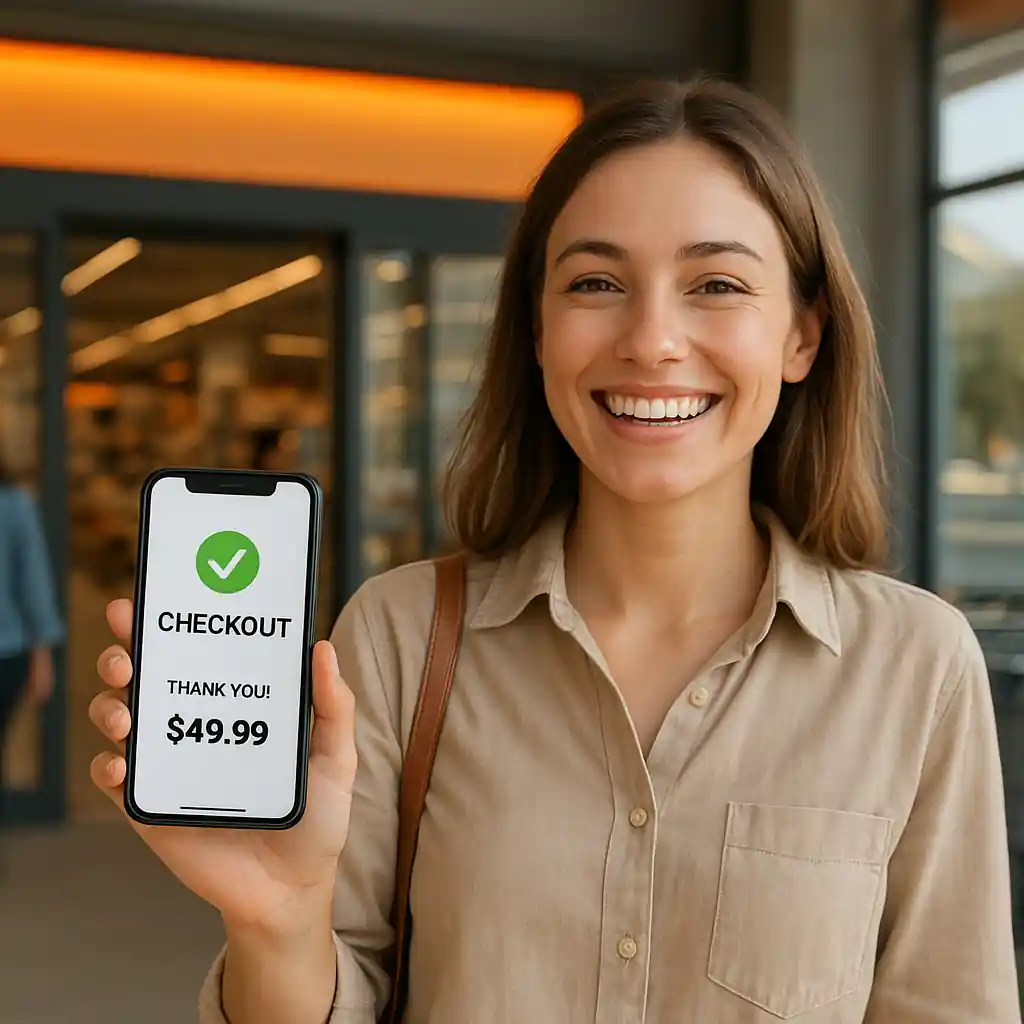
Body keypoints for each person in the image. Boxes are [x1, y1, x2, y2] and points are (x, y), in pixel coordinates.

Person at [88, 78, 1019, 1022]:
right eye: (596, 283)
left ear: (802, 335)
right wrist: (279, 926)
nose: (653, 340)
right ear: (537, 330)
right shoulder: (403, 638)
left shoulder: (916, 668)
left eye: (719, 285)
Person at [0, 460, 63, 815]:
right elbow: (34, 585)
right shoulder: (15, 505)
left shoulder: (15, 505)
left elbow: (33, 585)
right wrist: (42, 658)